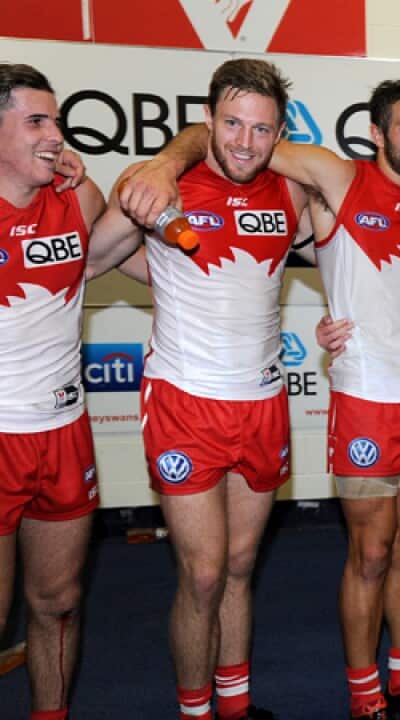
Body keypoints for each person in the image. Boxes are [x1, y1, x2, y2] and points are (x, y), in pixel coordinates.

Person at [106, 58, 309, 720]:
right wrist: (163, 166)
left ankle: (234, 706)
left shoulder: (292, 191)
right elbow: (82, 257)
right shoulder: (164, 186)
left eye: (261, 129)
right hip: (184, 401)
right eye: (230, 124)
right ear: (207, 121)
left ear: (278, 133)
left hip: (262, 403)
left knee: (241, 566)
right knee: (201, 574)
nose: (244, 142)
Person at [0, 62, 150, 720]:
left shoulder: (78, 198)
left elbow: (161, 266)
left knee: (58, 602)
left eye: (56, 120)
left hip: (63, 431)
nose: (56, 135)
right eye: (36, 121)